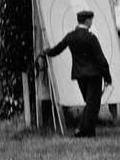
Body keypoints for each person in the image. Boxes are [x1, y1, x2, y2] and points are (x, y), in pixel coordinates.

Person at [41, 9, 112, 138]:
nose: (91, 22)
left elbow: (57, 49)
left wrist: (47, 52)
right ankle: (84, 130)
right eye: (91, 20)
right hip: (94, 75)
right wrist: (108, 78)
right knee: (93, 104)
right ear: (87, 20)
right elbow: (101, 59)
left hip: (79, 75)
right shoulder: (91, 38)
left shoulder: (70, 36)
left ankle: (84, 130)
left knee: (89, 102)